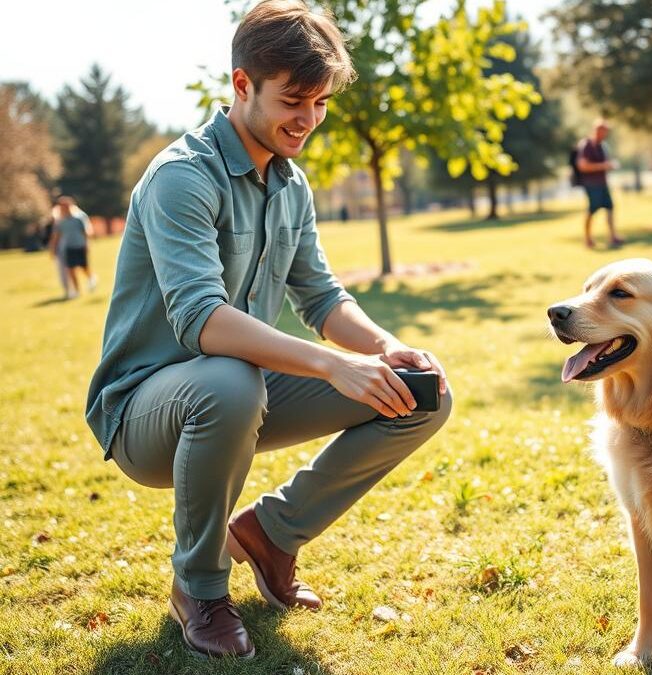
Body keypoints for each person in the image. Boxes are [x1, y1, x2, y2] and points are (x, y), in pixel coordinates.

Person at [85, 0, 452, 659]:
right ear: (243, 85)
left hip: (242, 391)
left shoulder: (291, 184)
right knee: (228, 382)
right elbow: (201, 320)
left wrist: (381, 347)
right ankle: (198, 586)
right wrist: (330, 364)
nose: (309, 119)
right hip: (146, 413)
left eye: (320, 103)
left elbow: (322, 295)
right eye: (295, 100)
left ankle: (272, 534)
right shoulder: (181, 178)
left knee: (419, 389)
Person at [576, 119, 624, 249]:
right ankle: (587, 238)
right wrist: (604, 166)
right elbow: (582, 166)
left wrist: (609, 166)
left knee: (609, 207)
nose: (604, 134)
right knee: (592, 210)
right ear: (596, 130)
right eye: (602, 131)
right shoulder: (586, 145)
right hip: (591, 184)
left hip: (602, 183)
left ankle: (613, 236)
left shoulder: (602, 146)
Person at [49, 197, 97, 297]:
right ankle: (76, 291)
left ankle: (91, 278)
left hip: (80, 245)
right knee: (71, 269)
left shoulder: (78, 218)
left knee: (83, 266)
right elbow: (56, 236)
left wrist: (87, 244)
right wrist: (53, 249)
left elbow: (85, 232)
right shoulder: (60, 221)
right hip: (68, 247)